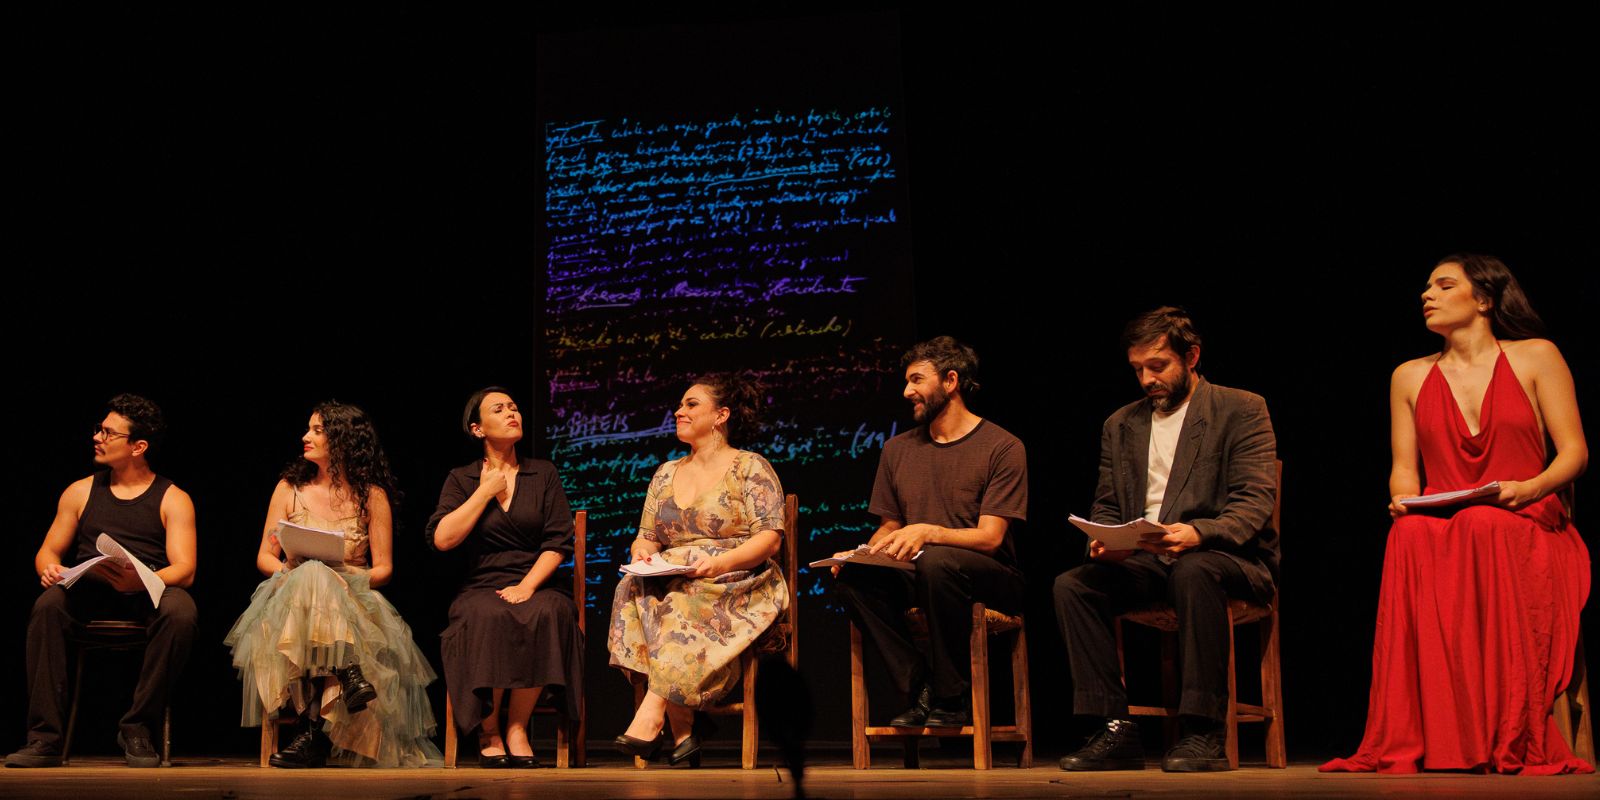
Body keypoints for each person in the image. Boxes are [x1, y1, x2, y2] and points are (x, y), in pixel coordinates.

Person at [1323, 255, 1591, 775]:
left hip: (1527, 515)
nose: (1428, 294)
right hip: (1447, 520)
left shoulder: (1537, 357)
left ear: (1485, 300)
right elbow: (1404, 469)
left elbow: (1575, 453)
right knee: (1407, 534)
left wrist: (1530, 487)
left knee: (1481, 522)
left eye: (1445, 286)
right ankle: (1434, 733)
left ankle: (1499, 729)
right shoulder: (1409, 375)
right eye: (1426, 287)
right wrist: (1404, 499)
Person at [1054, 307, 1278, 773]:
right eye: (1138, 369)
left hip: (1226, 558)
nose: (1146, 379)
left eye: (1158, 366)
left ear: (1191, 356)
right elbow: (1109, 505)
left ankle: (1202, 731)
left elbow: (1254, 501)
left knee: (1195, 571)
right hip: (1149, 559)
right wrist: (1105, 539)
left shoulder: (1240, 408)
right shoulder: (1121, 424)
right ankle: (1114, 728)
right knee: (1075, 584)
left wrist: (1199, 533)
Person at [224, 402, 440, 768]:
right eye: (308, 429)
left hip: (351, 598)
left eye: (317, 430)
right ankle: (346, 673)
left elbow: (384, 569)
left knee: (320, 576)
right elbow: (264, 556)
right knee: (309, 575)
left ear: (344, 439)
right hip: (290, 601)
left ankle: (313, 734)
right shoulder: (289, 489)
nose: (305, 436)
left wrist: (337, 576)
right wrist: (291, 575)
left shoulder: (371, 495)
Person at [832, 336, 1029, 730]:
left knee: (938, 563)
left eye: (917, 380)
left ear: (951, 381)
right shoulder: (897, 449)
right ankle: (920, 684)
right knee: (855, 578)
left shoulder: (1002, 446)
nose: (907, 392)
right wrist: (862, 554)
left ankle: (951, 696)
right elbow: (889, 526)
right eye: (906, 382)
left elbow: (990, 537)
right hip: (921, 571)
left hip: (989, 575)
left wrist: (927, 531)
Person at [7, 394, 197, 769]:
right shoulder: (80, 491)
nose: (98, 437)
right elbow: (47, 551)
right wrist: (48, 568)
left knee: (181, 612)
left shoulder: (173, 498)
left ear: (138, 446)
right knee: (47, 605)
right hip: (90, 593)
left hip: (145, 594)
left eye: (109, 433)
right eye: (100, 429)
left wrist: (140, 582)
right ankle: (44, 737)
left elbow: (185, 569)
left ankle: (137, 726)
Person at [609, 374, 789, 767]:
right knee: (631, 588)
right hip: (677, 575)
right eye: (681, 404)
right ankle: (685, 727)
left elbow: (770, 539)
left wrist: (718, 562)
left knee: (680, 599)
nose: (679, 411)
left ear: (721, 415)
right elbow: (647, 535)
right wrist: (642, 551)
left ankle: (653, 713)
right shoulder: (665, 473)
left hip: (737, 576)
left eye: (691, 404)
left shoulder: (749, 467)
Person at [425, 387, 584, 769]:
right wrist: (483, 493)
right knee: (485, 613)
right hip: (483, 582)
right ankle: (490, 729)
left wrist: (527, 585)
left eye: (514, 407)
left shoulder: (542, 472)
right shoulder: (462, 478)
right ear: (478, 429)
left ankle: (517, 726)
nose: (512, 413)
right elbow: (443, 539)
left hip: (536, 577)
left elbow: (558, 541)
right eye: (500, 409)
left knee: (547, 611)